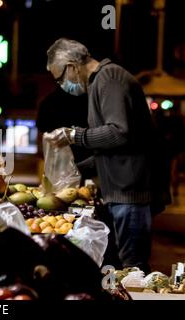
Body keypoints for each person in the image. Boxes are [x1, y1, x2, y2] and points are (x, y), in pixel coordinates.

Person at [44, 38, 169, 273]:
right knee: (124, 267)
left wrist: (74, 135)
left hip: (130, 193)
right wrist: (77, 171)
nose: (61, 85)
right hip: (122, 193)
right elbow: (112, 149)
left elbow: (119, 133)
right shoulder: (100, 82)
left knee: (133, 270)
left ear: (72, 66)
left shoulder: (110, 79)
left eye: (59, 78)